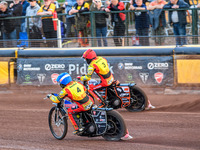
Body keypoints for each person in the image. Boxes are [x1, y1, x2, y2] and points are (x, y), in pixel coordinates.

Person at [80, 49, 133, 140]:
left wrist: (81, 77)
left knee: (91, 87)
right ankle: (107, 97)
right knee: (97, 84)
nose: (86, 61)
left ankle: (102, 101)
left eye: (86, 59)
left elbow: (88, 77)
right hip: (111, 78)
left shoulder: (92, 65)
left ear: (89, 58)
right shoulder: (101, 59)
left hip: (105, 82)